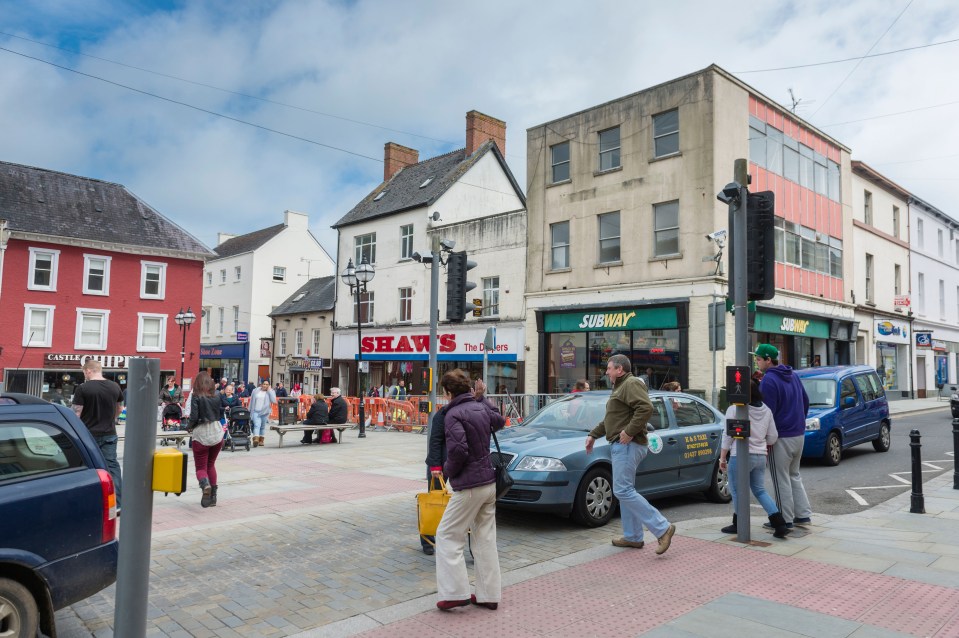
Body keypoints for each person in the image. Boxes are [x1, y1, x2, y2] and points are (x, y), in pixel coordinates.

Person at [585, 354, 675, 554]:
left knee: (622, 491)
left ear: (620, 369)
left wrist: (628, 432)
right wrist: (593, 435)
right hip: (623, 445)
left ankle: (663, 527)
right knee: (625, 491)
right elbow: (612, 420)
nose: (606, 372)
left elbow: (646, 408)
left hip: (628, 445)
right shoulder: (620, 387)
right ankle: (633, 536)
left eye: (609, 368)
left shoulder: (631, 383)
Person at [434, 371, 505, 611]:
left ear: (447, 392)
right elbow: (500, 421)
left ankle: (455, 592)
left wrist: (447, 472)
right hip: (489, 482)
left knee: (447, 534)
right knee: (485, 538)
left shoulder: (452, 414)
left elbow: (458, 451)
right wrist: (483, 398)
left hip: (469, 485)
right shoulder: (480, 407)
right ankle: (489, 595)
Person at [719, 378, 789, 538]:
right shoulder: (766, 410)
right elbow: (773, 437)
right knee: (759, 490)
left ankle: (739, 524)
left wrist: (723, 458)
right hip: (760, 456)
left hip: (740, 456)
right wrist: (760, 440)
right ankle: (779, 523)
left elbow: (728, 435)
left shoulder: (734, 409)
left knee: (736, 491)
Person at [756, 343, 813, 532]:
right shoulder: (793, 375)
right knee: (794, 475)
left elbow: (767, 414)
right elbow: (805, 401)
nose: (756, 362)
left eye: (758, 359)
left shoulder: (769, 381)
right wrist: (798, 422)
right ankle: (803, 514)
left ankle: (784, 520)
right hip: (798, 434)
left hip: (780, 437)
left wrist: (765, 439)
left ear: (768, 360)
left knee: (780, 479)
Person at [72, 360, 124, 506]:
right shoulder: (115, 386)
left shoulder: (83, 388)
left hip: (88, 435)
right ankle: (118, 503)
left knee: (87, 467)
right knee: (112, 467)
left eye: (84, 373)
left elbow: (76, 414)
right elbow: (120, 409)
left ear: (88, 370)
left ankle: (89, 501)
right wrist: (110, 420)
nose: (85, 375)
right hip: (109, 433)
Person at [188, 372, 225, 508]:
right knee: (211, 464)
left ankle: (205, 485)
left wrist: (188, 427)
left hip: (201, 434)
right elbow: (219, 413)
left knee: (201, 467)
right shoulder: (217, 396)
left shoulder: (196, 396)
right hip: (216, 432)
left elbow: (194, 416)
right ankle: (213, 498)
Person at [421, 403, 449, 555]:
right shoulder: (443, 414)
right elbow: (435, 440)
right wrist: (436, 467)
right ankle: (427, 540)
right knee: (432, 502)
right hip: (439, 464)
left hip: (457, 463)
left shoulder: (468, 409)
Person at [249, 380, 277, 447]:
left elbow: (274, 400)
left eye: (267, 384)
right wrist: (249, 410)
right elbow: (252, 401)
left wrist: (269, 390)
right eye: (264, 384)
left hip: (265, 412)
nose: (265, 385)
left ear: (269, 385)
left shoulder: (271, 392)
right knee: (257, 425)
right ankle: (256, 439)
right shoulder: (255, 391)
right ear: (261, 384)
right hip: (255, 411)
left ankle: (261, 440)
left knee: (262, 426)